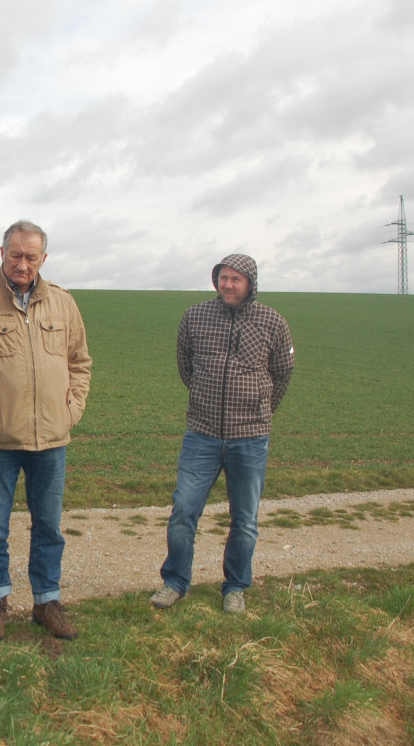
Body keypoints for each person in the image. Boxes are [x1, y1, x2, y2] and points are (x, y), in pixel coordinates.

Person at [0, 220, 92, 642]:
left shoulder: (63, 303)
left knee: (49, 526)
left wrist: (71, 408)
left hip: (52, 439)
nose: (22, 263)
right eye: (15, 255)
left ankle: (47, 602)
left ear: (43, 259)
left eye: (31, 256)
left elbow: (80, 362)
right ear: (2, 253)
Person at [149, 253, 294, 615]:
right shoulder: (195, 316)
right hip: (202, 433)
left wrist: (260, 409)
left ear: (250, 284)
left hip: (250, 438)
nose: (228, 285)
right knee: (184, 509)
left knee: (244, 519)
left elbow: (283, 371)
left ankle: (234, 588)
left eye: (236, 279)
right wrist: (205, 397)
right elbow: (186, 365)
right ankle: (174, 582)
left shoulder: (272, 321)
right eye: (223, 278)